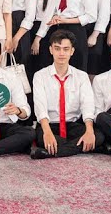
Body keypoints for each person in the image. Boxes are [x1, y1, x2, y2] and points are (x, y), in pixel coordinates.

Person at [30, 29, 98, 159]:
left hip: (72, 124)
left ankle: (52, 152)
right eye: (57, 48)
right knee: (41, 138)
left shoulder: (81, 76)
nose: (61, 53)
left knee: (98, 135)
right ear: (51, 50)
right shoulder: (40, 76)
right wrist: (47, 132)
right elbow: (40, 107)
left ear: (72, 51)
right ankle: (83, 147)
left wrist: (89, 131)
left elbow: (87, 105)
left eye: (66, 49)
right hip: (49, 124)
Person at [24, 0, 54, 80]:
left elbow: (48, 16)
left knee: (42, 65)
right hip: (28, 28)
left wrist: (37, 39)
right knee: (28, 66)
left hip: (45, 30)